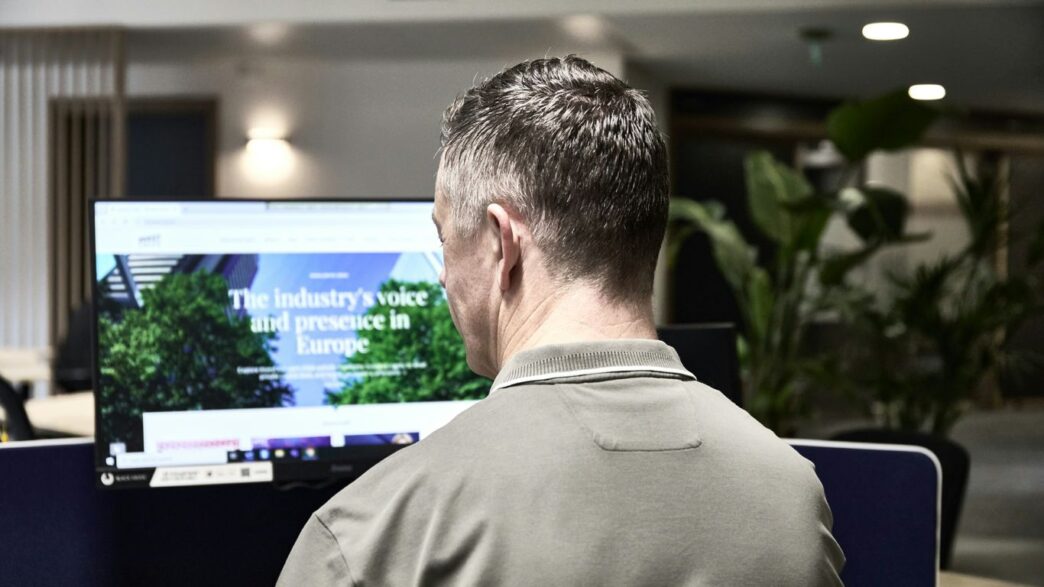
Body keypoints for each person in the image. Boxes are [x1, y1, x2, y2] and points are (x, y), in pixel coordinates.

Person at [277, 55, 845, 586]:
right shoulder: (792, 495)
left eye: (444, 241)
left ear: (502, 244)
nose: (443, 277)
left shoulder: (374, 534)